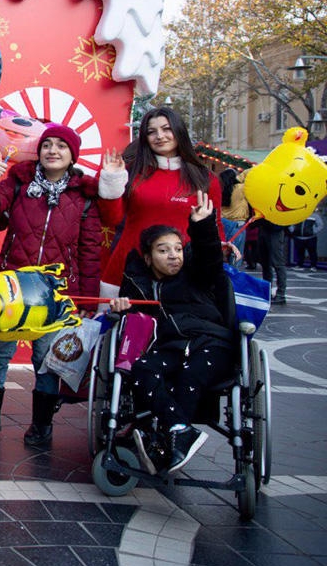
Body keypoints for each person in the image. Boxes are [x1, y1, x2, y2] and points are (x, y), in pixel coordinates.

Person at [0, 124, 125, 448]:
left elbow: (89, 250)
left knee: (47, 360)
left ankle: (41, 426)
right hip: (11, 286)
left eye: (61, 147)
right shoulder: (18, 183)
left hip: (55, 293)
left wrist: (88, 299)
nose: (53, 151)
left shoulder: (83, 197)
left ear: (72, 156)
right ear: (38, 151)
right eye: (47, 145)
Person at [109, 191, 233, 474]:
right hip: (169, 346)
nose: (174, 256)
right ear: (149, 257)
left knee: (190, 374)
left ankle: (169, 434)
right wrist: (122, 309)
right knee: (141, 369)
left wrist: (203, 225)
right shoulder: (138, 283)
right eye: (164, 251)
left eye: (177, 249)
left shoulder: (196, 275)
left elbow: (209, 260)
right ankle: (178, 432)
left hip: (210, 342)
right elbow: (136, 327)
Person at [101, 107, 223, 296]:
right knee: (128, 324)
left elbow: (216, 225)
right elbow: (112, 219)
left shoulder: (205, 179)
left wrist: (221, 250)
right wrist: (111, 181)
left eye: (166, 129)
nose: (160, 136)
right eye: (151, 132)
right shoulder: (131, 172)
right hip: (131, 264)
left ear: (179, 131)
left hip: (184, 267)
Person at [219, 168, 250, 266]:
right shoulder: (241, 188)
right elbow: (248, 173)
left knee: (222, 255)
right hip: (237, 225)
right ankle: (232, 279)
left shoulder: (221, 188)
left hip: (222, 223)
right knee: (235, 256)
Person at [257, 218, 288, 303]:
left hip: (275, 228)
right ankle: (268, 292)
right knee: (266, 264)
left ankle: (280, 294)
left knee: (277, 263)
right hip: (265, 226)